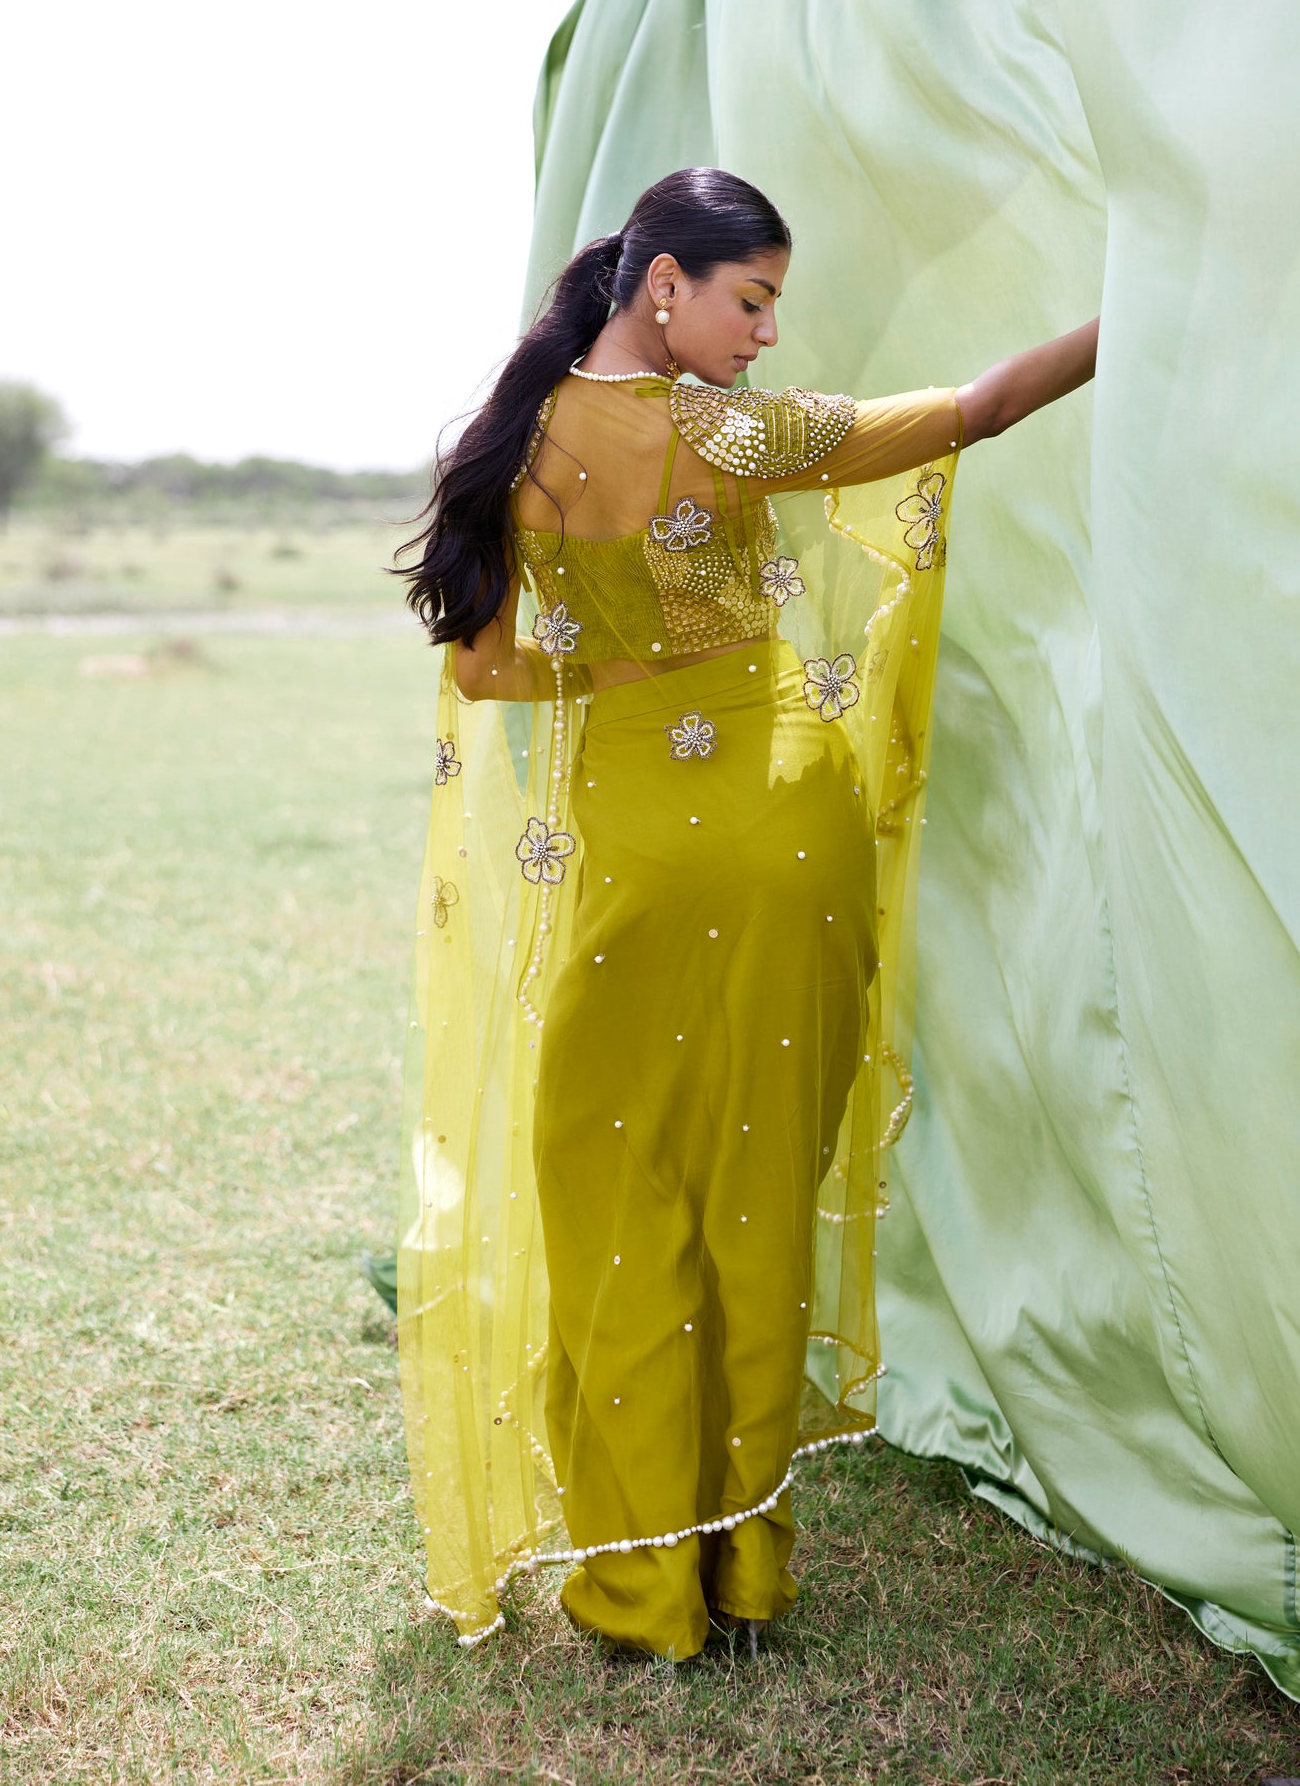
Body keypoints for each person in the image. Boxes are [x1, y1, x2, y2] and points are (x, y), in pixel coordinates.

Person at [391, 167, 1097, 1660]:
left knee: (613, 1191)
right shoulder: (734, 435)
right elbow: (971, 407)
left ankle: (641, 1589)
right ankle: (741, 1573)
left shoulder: (518, 446)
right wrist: (1127, 324)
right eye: (751, 298)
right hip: (793, 831)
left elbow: (486, 668)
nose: (767, 332)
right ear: (663, 284)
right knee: (755, 1193)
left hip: (639, 858)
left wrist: (618, 670)